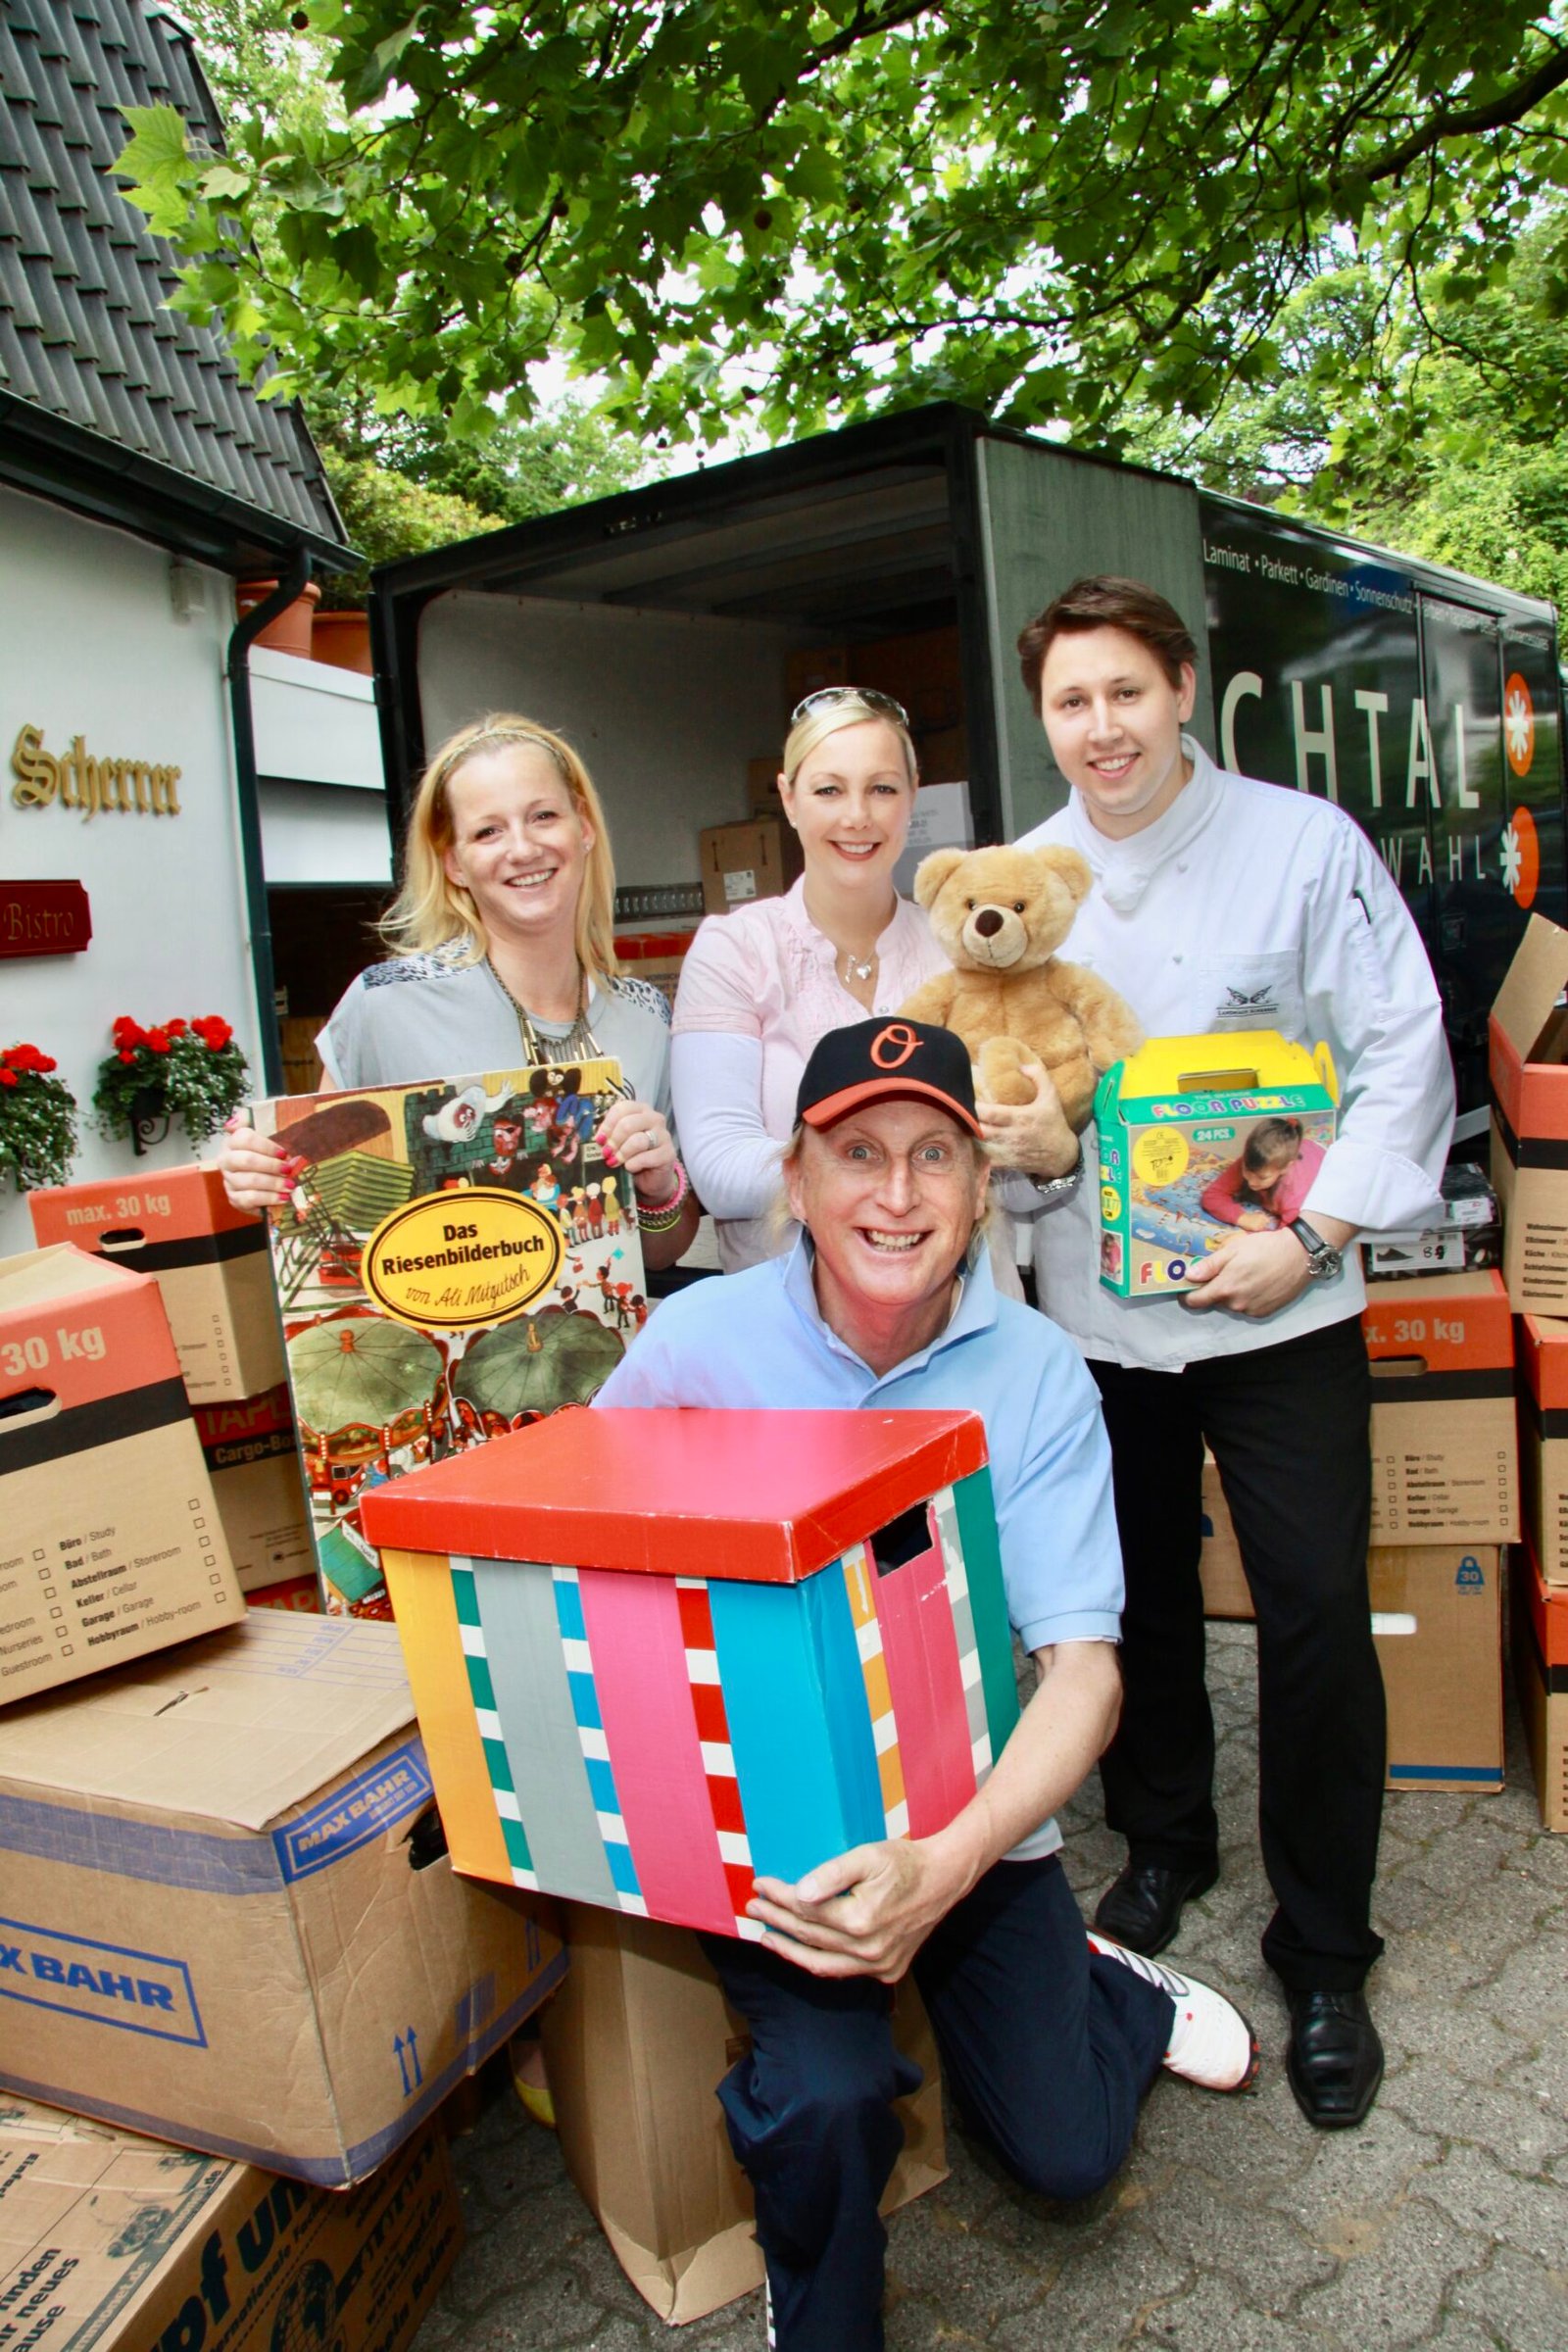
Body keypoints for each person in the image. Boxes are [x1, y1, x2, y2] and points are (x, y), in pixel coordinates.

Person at [596, 1017, 1260, 2352]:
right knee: (827, 2097)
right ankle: (824, 2315)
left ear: (980, 1188)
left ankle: (1115, 1991)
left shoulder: (1037, 1374)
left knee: (1067, 2159)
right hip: (766, 1828)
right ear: (796, 1181)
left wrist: (948, 1866)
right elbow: (584, 1555)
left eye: (934, 1156)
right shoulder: (690, 1349)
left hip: (967, 1811)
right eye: (858, 1154)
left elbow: (1084, 1675)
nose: (896, 1195)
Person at [1012, 576, 1453, 2131]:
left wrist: (1313, 1234)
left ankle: (1325, 1950)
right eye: (1072, 702)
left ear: (1184, 691)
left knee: (1317, 1608)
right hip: (1103, 1320)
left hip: (1285, 1306)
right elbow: (1018, 1105)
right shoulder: (1030, 880)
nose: (1103, 728)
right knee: (1129, 1597)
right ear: (1044, 719)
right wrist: (1031, 1147)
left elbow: (1402, 1047)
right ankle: (1168, 1842)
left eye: (1126, 692)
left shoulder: (1304, 848)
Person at [218, 714, 700, 1272]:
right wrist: (260, 1173)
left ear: (584, 828)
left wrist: (660, 1189)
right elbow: (311, 1198)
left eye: (543, 816)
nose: (523, 848)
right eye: (488, 831)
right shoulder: (385, 1005)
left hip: (595, 1327)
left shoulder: (645, 1015)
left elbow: (661, 1255)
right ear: (454, 864)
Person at [671, 688, 1076, 1275]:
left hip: (962, 1314)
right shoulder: (735, 950)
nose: (857, 816)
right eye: (829, 790)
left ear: (913, 796)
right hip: (789, 1317)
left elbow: (1010, 1182)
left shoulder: (967, 949)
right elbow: (720, 1172)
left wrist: (1055, 1155)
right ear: (788, 798)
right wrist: (915, 1169)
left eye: (882, 788)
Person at [1200, 1117, 1326, 1233]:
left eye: (1262, 1177)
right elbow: (1212, 1195)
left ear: (1285, 1169)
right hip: (1300, 1148)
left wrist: (1246, 1237)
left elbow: (1288, 1237)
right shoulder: (1251, 1161)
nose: (1251, 1182)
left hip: (1319, 1157)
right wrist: (1242, 1218)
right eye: (1247, 1171)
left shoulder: (1295, 1194)